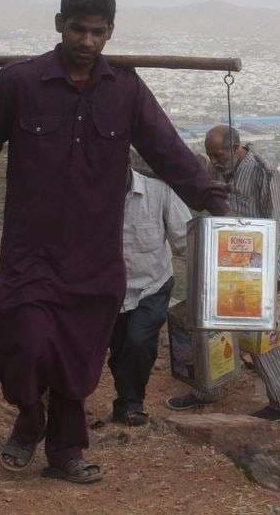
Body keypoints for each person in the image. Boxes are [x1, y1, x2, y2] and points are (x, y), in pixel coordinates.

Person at [0, 0, 228, 483]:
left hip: (95, 256)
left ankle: (64, 451)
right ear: (59, 25)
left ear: (110, 33)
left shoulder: (126, 91)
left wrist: (211, 200)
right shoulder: (20, 83)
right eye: (77, 29)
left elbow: (167, 150)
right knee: (25, 342)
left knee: (75, 357)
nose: (86, 41)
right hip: (31, 250)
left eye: (97, 32)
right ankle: (29, 417)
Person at [166, 125, 280, 422]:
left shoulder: (265, 174)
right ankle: (207, 390)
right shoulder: (216, 169)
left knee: (264, 338)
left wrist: (269, 278)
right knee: (210, 327)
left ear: (237, 147)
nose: (214, 160)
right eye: (210, 155)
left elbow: (275, 229)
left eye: (219, 154)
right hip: (223, 264)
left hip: (260, 271)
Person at [108, 161, 191, 426]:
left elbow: (186, 241)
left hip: (152, 284)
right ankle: (124, 403)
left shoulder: (159, 193)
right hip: (110, 288)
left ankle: (134, 403)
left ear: (127, 163)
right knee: (119, 348)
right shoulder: (91, 193)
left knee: (139, 341)